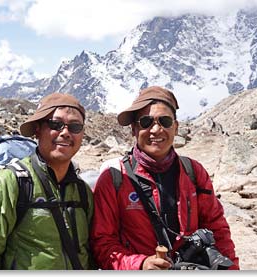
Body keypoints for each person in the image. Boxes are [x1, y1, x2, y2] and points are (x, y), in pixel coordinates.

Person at [90, 86, 239, 270]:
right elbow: (102, 243)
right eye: (146, 122)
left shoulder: (194, 172)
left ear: (175, 127)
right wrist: (140, 264)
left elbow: (218, 231)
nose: (156, 129)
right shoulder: (114, 179)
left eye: (165, 121)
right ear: (134, 129)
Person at [0, 93, 94, 269]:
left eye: (75, 126)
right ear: (37, 129)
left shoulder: (83, 192)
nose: (65, 133)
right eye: (55, 124)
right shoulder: (6, 186)